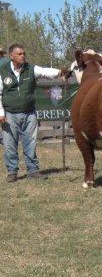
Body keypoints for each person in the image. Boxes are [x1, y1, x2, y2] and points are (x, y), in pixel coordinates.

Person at [0, 44, 67, 182]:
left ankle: (33, 171)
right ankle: (12, 172)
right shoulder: (3, 71)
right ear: (11, 56)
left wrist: (60, 72)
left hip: (29, 113)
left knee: (30, 142)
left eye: (24, 53)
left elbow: (44, 72)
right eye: (19, 54)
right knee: (9, 144)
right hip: (9, 114)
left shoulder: (30, 69)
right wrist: (1, 112)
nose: (23, 56)